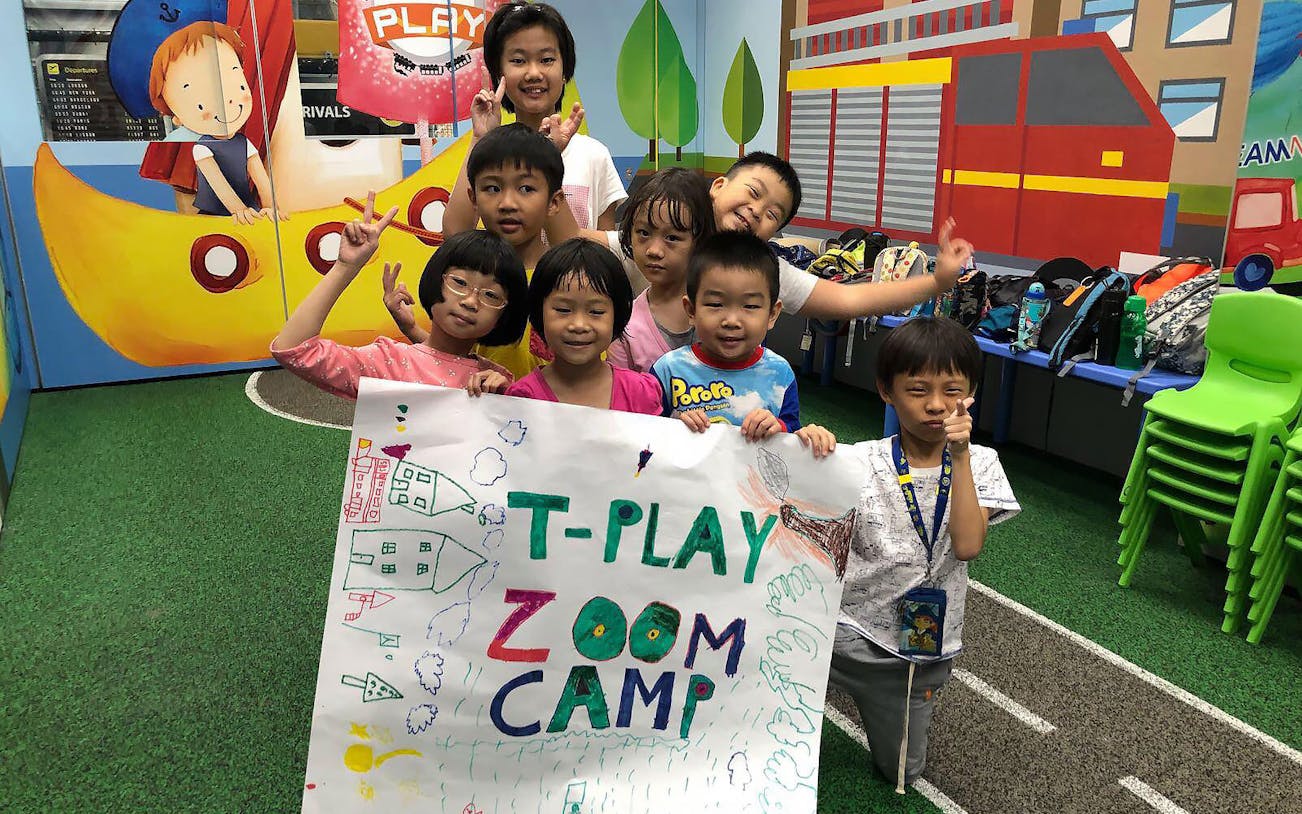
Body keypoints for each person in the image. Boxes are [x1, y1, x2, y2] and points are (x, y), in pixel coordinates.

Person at [833, 316, 1020, 788]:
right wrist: (809, 442)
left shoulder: (981, 463)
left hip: (916, 655)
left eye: (952, 390)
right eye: (917, 390)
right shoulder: (859, 460)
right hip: (843, 633)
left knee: (903, 770)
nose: (937, 405)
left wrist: (960, 456)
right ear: (886, 391)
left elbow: (968, 545)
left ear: (971, 392)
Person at [547, 151, 973, 320]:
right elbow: (574, 242)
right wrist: (549, 167)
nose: (756, 211)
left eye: (773, 214)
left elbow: (847, 299)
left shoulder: (759, 270)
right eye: (753, 193)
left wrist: (936, 282)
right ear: (718, 187)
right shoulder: (659, 237)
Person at [272, 192, 527, 399]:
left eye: (491, 295)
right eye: (459, 282)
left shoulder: (496, 380)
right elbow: (294, 349)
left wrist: (507, 396)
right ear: (434, 281)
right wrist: (345, 267)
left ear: (504, 314)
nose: (471, 302)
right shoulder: (387, 362)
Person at [385, 124, 566, 380]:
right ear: (473, 198)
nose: (507, 204)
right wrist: (411, 328)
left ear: (554, 202)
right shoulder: (471, 281)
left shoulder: (566, 281)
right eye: (492, 188)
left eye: (526, 189)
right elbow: (459, 361)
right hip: (476, 413)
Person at [439, 1, 625, 236]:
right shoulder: (490, 149)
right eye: (518, 60)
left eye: (546, 60)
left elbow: (606, 252)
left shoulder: (594, 155)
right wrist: (481, 137)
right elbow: (455, 234)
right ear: (499, 73)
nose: (534, 73)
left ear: (565, 71)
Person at [650, 232, 835, 457]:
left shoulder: (780, 374)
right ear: (691, 310)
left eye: (750, 306)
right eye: (716, 304)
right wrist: (674, 424)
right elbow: (646, 436)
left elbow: (791, 437)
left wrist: (783, 429)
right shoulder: (668, 369)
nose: (732, 321)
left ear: (772, 314)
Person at [148, 21, 287, 224]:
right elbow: (218, 184)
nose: (226, 101)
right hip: (218, 216)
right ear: (177, 117)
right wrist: (238, 210)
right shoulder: (202, 148)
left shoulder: (244, 143)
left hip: (249, 210)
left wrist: (269, 207)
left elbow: (262, 180)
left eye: (235, 80)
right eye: (194, 91)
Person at [505, 239, 662, 415]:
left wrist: (686, 425)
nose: (579, 325)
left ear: (617, 315)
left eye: (596, 311)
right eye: (563, 310)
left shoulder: (639, 392)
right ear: (538, 311)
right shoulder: (522, 398)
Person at [606, 168, 715, 373]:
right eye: (643, 233)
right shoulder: (625, 329)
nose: (654, 250)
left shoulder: (727, 309)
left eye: (672, 238)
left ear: (700, 240)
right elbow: (620, 397)